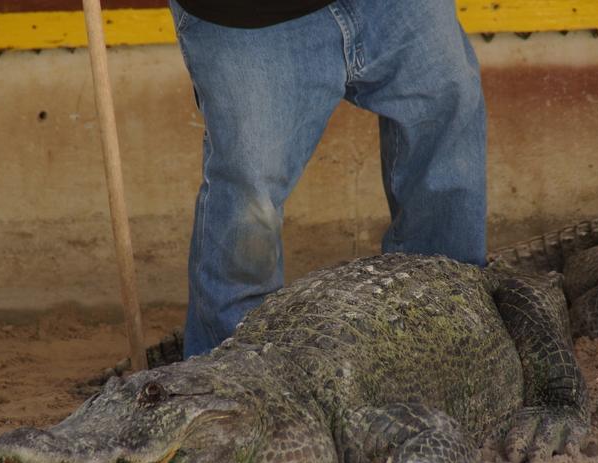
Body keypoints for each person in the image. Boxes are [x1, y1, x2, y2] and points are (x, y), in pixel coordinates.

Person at [170, 0, 487, 358]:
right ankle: (229, 380)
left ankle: (450, 338)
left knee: (449, 112)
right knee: (249, 196)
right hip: (248, 17)